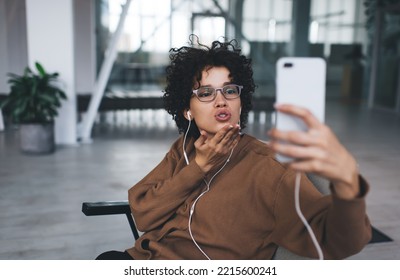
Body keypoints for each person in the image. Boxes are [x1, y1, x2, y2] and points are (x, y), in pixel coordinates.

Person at [96, 35, 371, 260]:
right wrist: (199, 168)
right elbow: (143, 213)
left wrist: (348, 189)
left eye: (230, 90)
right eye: (205, 93)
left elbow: (336, 241)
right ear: (187, 110)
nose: (220, 101)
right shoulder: (184, 149)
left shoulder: (270, 169)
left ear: (241, 101)